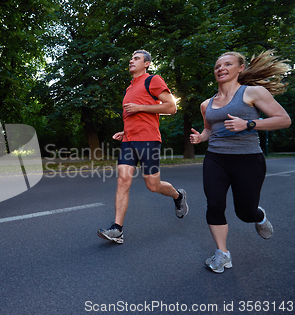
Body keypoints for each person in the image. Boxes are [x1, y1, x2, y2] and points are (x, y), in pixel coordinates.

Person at [189, 50, 292, 273]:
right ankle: (222, 254)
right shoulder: (207, 104)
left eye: (227, 64)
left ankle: (258, 215)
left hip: (248, 159)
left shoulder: (253, 92)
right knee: (214, 204)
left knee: (245, 213)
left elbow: (284, 120)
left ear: (240, 68)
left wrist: (249, 124)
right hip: (215, 159)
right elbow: (209, 130)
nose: (221, 68)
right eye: (217, 66)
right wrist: (200, 138)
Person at [98, 50, 189, 244]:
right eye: (131, 58)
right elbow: (132, 116)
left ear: (146, 63)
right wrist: (125, 131)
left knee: (152, 185)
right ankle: (117, 229)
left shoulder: (153, 80)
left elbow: (171, 107)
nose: (131, 60)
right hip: (129, 141)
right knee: (123, 180)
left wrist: (141, 107)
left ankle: (178, 195)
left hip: (148, 140)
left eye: (136, 58)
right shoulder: (129, 88)